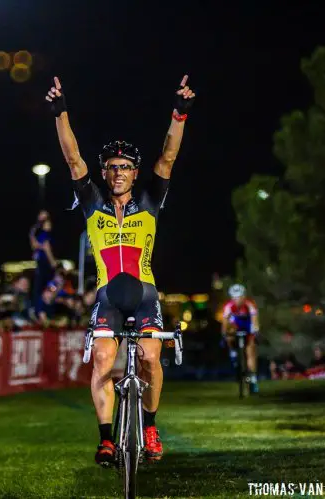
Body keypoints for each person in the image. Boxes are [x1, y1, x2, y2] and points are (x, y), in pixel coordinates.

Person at [45, 74, 195, 465]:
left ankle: (149, 426)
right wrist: (60, 111)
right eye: (111, 167)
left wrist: (180, 113)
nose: (118, 173)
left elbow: (168, 157)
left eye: (125, 167)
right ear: (105, 171)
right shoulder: (91, 201)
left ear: (133, 171)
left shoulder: (149, 201)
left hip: (144, 294)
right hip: (108, 296)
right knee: (102, 358)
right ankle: (106, 438)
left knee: (150, 354)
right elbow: (72, 157)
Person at [221, 284, 260, 393]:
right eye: (234, 298)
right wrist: (224, 335)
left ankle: (253, 379)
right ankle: (233, 353)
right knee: (229, 333)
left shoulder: (250, 304)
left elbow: (255, 320)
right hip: (235, 324)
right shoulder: (228, 306)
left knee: (250, 351)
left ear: (244, 297)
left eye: (239, 297)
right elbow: (225, 323)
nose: (237, 300)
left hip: (248, 325)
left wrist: (256, 331)